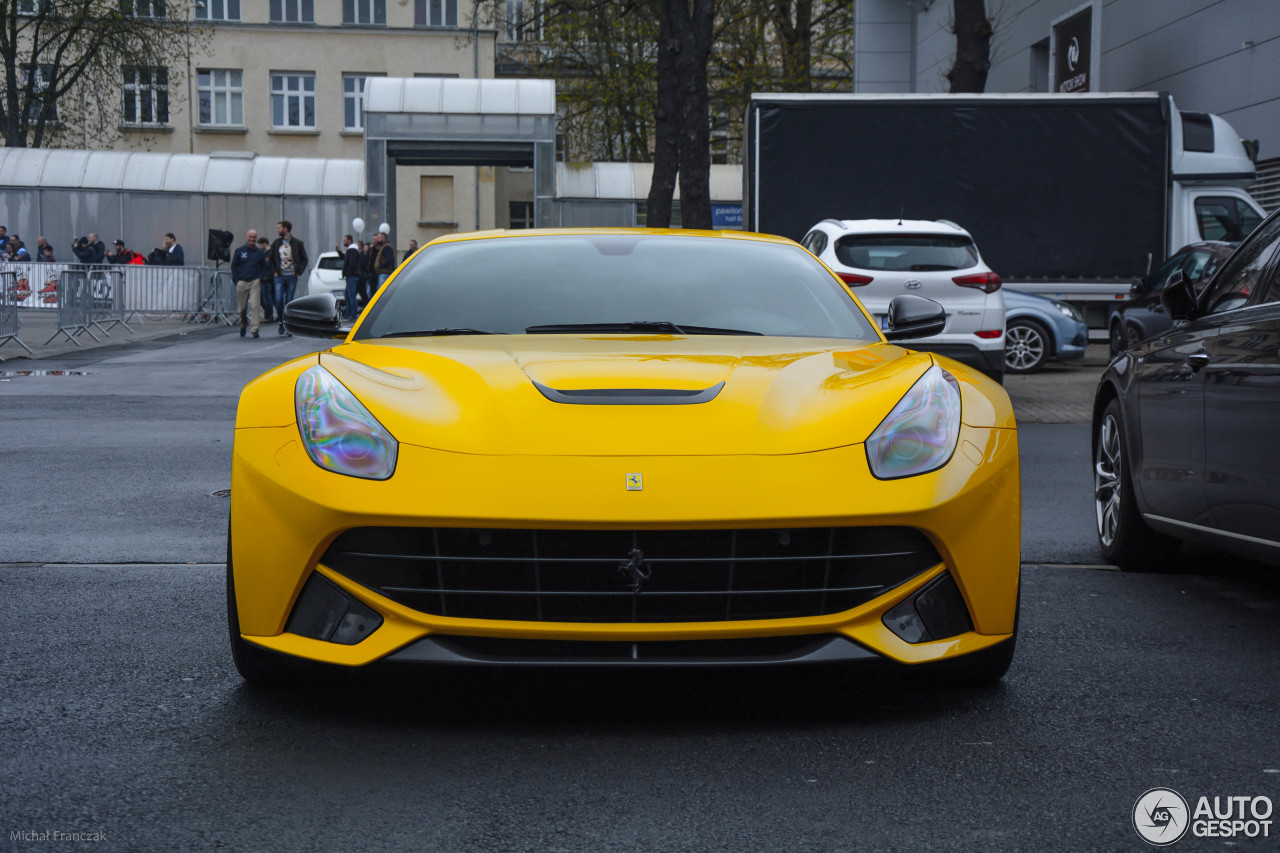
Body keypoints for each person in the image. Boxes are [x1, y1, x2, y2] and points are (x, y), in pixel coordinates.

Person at [269, 219, 308, 336]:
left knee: (289, 302)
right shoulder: (276, 243)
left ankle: (287, 325)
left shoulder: (297, 243)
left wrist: (299, 271)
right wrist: (274, 272)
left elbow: (304, 259)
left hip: (291, 276)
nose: (278, 230)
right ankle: (281, 321)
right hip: (279, 276)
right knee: (278, 300)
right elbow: (271, 259)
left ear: (285, 229)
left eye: (279, 228)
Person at [339, 234, 361, 321]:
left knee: (351, 296)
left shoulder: (352, 250)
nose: (343, 242)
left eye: (345, 240)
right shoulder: (350, 250)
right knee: (347, 295)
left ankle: (352, 314)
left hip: (352, 276)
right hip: (350, 276)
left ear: (349, 240)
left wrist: (347, 271)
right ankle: (348, 314)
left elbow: (351, 263)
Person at [257, 236, 276, 323]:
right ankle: (269, 315)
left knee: (266, 297)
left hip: (267, 278)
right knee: (267, 297)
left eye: (260, 245)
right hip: (267, 277)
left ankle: (268, 316)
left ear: (264, 243)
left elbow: (266, 264)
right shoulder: (269, 252)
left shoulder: (269, 253)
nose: (260, 247)